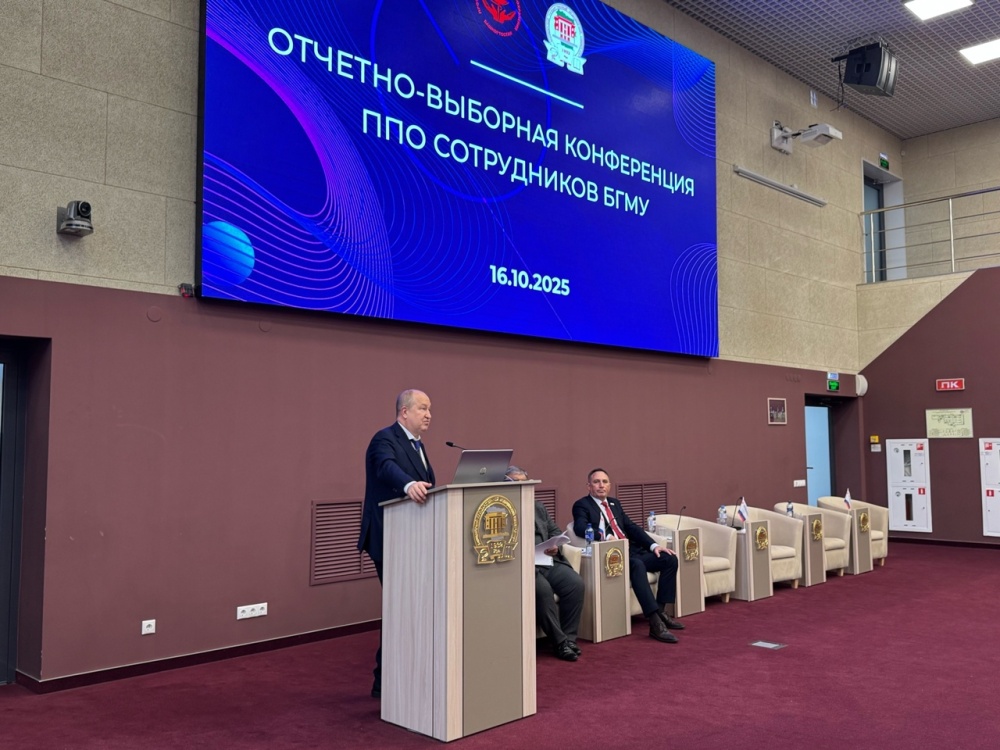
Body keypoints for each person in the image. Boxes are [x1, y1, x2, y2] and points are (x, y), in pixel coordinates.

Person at [358, 389, 435, 698]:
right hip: (388, 535)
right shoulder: (384, 438)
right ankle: (385, 680)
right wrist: (408, 484)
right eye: (423, 408)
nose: (429, 415)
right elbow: (386, 467)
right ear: (405, 412)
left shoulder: (419, 445)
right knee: (400, 607)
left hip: (413, 538)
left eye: (430, 409)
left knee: (407, 607)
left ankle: (394, 676)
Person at [572, 468, 685, 643]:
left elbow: (631, 528)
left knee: (669, 559)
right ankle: (655, 623)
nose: (601, 485)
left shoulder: (615, 504)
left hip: (631, 550)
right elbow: (580, 527)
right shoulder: (582, 505)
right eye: (596, 482)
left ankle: (661, 611)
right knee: (637, 565)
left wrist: (654, 545)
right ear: (589, 486)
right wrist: (605, 536)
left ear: (609, 485)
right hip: (612, 554)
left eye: (604, 482)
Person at [507, 466, 584, 662]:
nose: (522, 487)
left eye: (525, 483)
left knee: (575, 584)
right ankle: (560, 643)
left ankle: (570, 639)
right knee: (542, 591)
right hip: (522, 567)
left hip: (546, 559)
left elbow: (555, 531)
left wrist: (555, 545)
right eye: (516, 483)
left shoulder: (538, 507)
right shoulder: (500, 510)